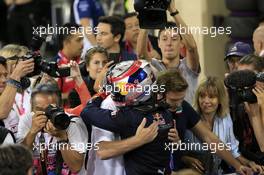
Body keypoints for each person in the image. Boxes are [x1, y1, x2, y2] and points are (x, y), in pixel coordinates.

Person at [81, 60, 179, 175]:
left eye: (120, 89)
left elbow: (87, 112)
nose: (115, 93)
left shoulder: (130, 117)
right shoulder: (166, 113)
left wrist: (102, 92)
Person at [156, 70, 252, 175]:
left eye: (182, 99)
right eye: (174, 100)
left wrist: (239, 166)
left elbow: (210, 139)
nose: (179, 104)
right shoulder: (148, 112)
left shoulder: (185, 108)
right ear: (160, 95)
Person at [181, 76, 263, 174]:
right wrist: (185, 158)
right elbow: (175, 151)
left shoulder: (225, 118)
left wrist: (250, 163)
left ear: (220, 99)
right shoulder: (188, 117)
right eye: (202, 96)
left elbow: (233, 151)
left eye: (211, 97)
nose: (206, 101)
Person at [137, 0, 200, 104]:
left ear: (181, 43)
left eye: (174, 39)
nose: (169, 43)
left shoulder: (188, 67)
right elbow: (141, 55)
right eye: (164, 39)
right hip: (162, 119)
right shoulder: (154, 66)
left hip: (188, 119)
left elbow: (192, 48)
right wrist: (146, 18)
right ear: (158, 43)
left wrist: (174, 11)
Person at [17, 83, 88, 174]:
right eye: (39, 109)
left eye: (50, 109)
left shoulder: (72, 123)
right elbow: (19, 160)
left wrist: (61, 137)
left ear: (61, 105)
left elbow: (76, 167)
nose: (45, 114)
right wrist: (33, 131)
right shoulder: (27, 121)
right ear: (31, 107)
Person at [0, 50, 34, 139]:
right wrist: (16, 74)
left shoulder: (8, 94)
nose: (3, 80)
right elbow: (2, 112)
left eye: (5, 75)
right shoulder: (6, 103)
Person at [54, 23, 84, 106]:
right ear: (66, 43)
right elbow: (51, 97)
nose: (82, 44)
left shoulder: (85, 62)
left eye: (82, 40)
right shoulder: (55, 66)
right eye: (78, 40)